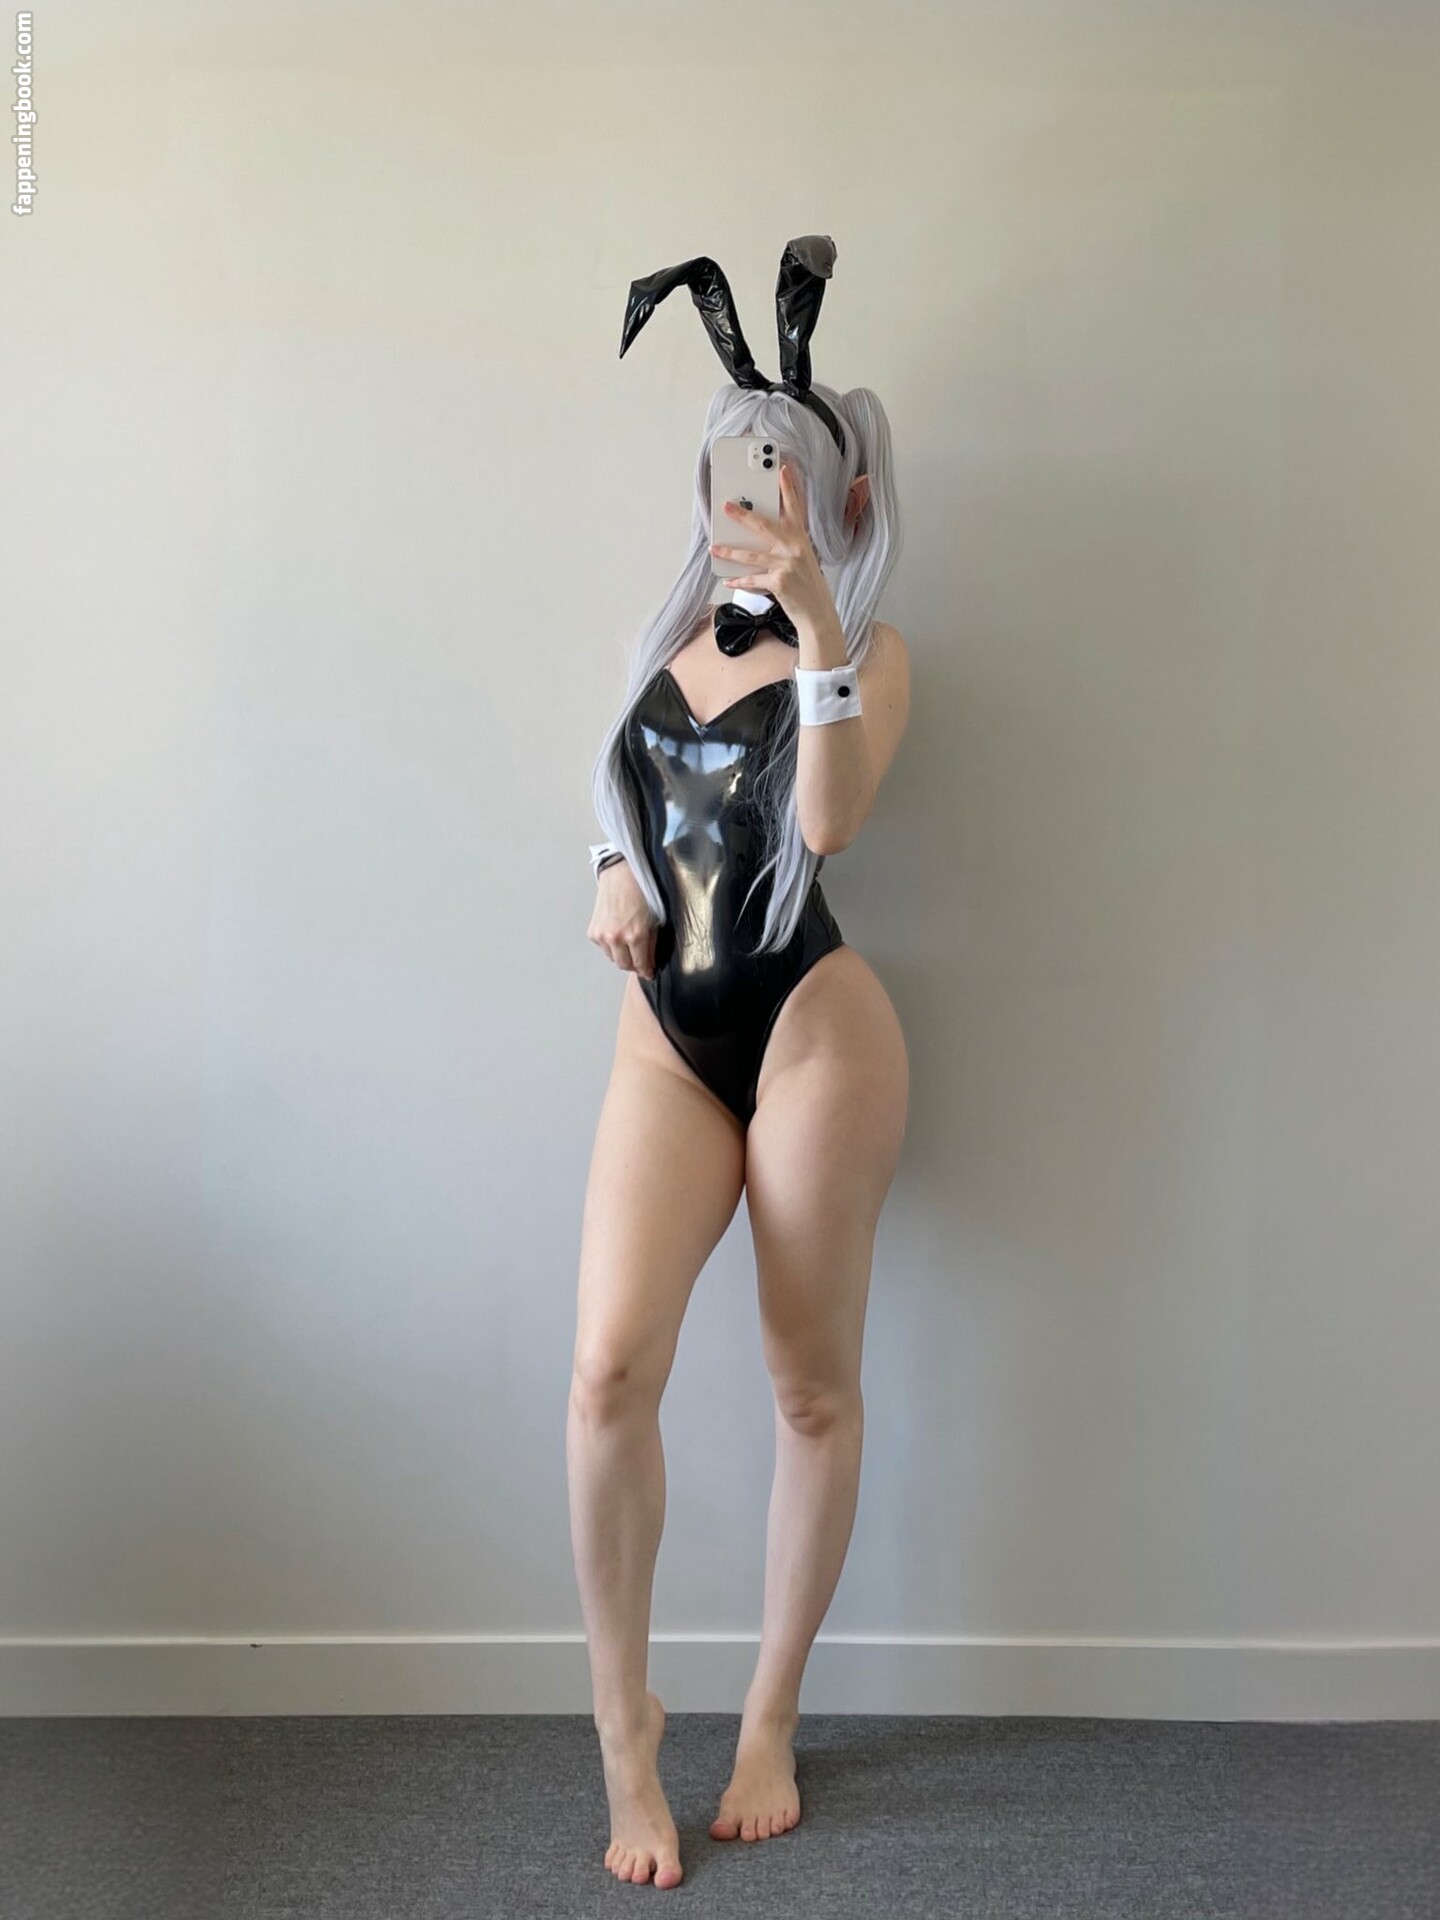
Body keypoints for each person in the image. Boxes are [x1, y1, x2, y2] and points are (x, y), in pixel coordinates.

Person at [567, 238, 911, 1890]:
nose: (744, 496)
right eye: (728, 466)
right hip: (667, 1042)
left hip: (812, 1034)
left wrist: (823, 613)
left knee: (808, 1388)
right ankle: (623, 1733)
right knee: (605, 1372)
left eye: (776, 469)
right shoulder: (667, 638)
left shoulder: (871, 655)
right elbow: (618, 797)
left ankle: (768, 1717)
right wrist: (606, 872)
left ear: (836, 489)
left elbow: (825, 823)